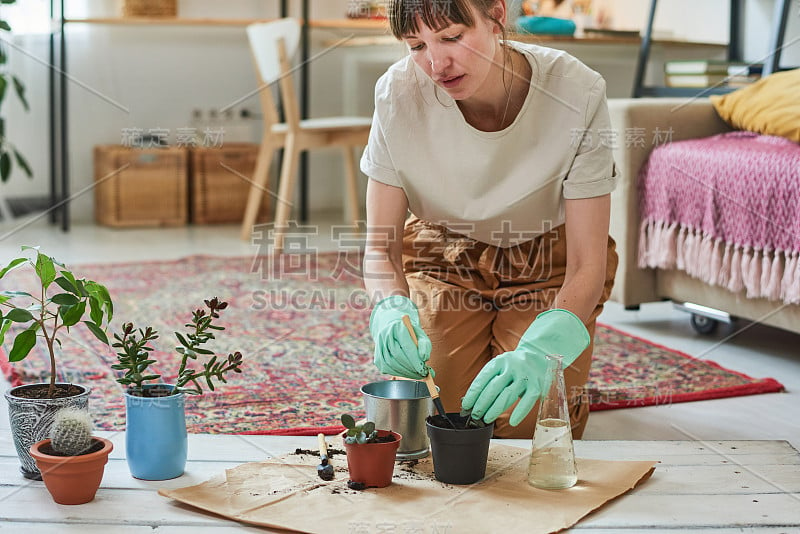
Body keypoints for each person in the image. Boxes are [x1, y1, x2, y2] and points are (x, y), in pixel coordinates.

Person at [361, 0, 618, 439]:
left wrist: (543, 350)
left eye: (452, 37)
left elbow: (587, 264)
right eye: (415, 45)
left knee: (531, 427)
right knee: (431, 422)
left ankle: (568, 384)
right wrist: (389, 308)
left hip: (546, 262)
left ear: (497, 13)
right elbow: (380, 249)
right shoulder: (396, 95)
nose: (436, 63)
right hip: (444, 259)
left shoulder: (577, 91)